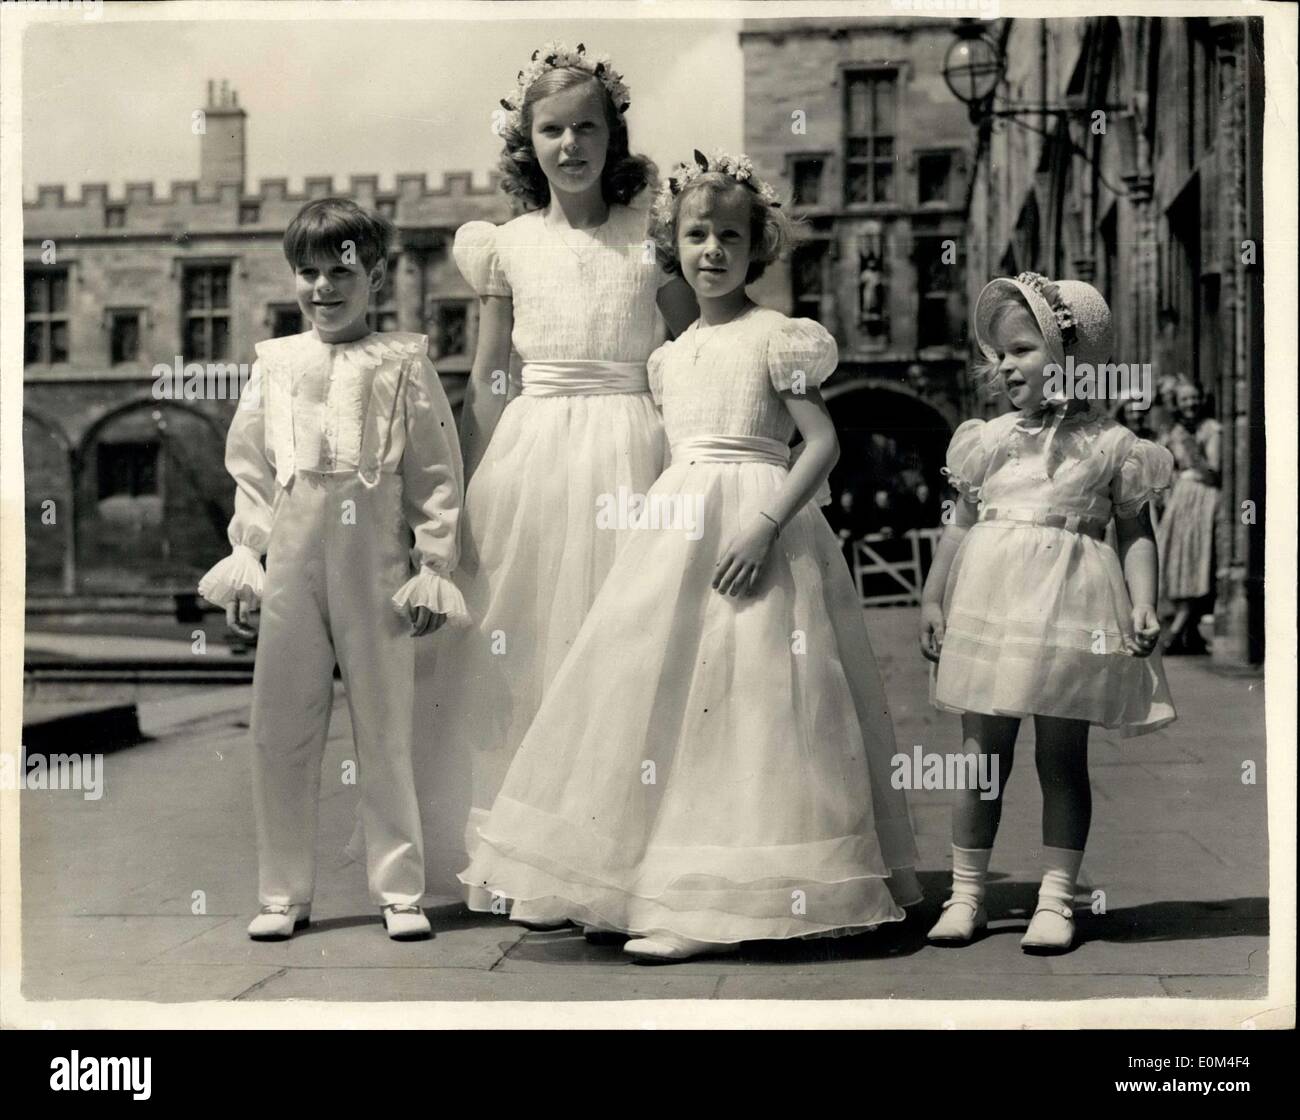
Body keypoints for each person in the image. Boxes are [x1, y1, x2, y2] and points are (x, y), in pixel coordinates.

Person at [459, 152, 922, 961]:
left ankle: (729, 901)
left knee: (753, 702)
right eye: (697, 236)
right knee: (661, 697)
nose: (713, 251)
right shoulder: (666, 359)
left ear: (759, 248)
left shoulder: (779, 338)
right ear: (673, 246)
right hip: (676, 530)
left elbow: (822, 444)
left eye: (731, 237)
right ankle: (659, 886)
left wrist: (768, 520)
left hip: (756, 530)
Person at [419, 42, 697, 914]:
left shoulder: (653, 238)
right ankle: (525, 859)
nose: (570, 145)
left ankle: (630, 855)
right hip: (535, 455)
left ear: (614, 137)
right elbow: (489, 375)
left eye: (587, 127)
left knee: (628, 649)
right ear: (526, 142)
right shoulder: (505, 247)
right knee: (523, 648)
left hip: (637, 446)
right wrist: (486, 484)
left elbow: (691, 354)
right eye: (551, 129)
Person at [197, 198, 467, 942]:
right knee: (280, 725)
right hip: (291, 561)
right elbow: (250, 470)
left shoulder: (402, 363)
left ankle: (399, 889)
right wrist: (247, 562)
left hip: (373, 565)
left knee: (385, 727)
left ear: (374, 275)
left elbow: (436, 472)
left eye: (341, 271)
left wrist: (433, 562)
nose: (323, 288)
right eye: (308, 273)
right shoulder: (276, 364)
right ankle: (283, 890)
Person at [919, 272, 1176, 954]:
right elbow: (960, 522)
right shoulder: (990, 439)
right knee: (981, 755)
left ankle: (1057, 897)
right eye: (1000, 353)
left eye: (1023, 350)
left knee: (1062, 758)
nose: (1005, 364)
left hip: (1073, 607)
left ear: (1073, 359)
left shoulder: (1113, 445)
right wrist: (932, 594)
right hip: (992, 607)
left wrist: (1144, 600)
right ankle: (966, 894)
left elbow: (1136, 531)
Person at [1156, 379, 1221, 654]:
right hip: (1179, 499)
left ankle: (1176, 632)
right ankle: (1188, 634)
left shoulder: (1212, 430)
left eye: (1194, 398)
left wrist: (1191, 451)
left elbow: (1213, 470)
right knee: (1176, 558)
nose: (1190, 404)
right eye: (1185, 400)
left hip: (1201, 496)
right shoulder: (1175, 432)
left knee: (1195, 558)